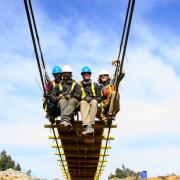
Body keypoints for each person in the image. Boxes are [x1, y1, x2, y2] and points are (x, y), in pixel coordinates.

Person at [52, 65, 81, 129]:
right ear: (62, 74)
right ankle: (66, 121)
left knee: (71, 100)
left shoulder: (75, 84)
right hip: (63, 104)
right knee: (62, 101)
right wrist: (57, 98)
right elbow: (52, 95)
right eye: (64, 73)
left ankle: (65, 119)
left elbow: (79, 95)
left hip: (74, 103)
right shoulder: (58, 85)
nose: (65, 74)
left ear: (70, 74)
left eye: (67, 73)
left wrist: (71, 96)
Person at [79, 66, 101, 135]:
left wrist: (93, 98)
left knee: (94, 102)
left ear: (90, 74)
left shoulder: (95, 85)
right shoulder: (78, 85)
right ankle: (87, 125)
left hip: (93, 102)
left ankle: (90, 124)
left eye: (87, 73)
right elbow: (76, 95)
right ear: (82, 75)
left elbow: (100, 98)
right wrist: (84, 99)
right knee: (83, 102)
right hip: (83, 104)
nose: (86, 74)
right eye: (84, 73)